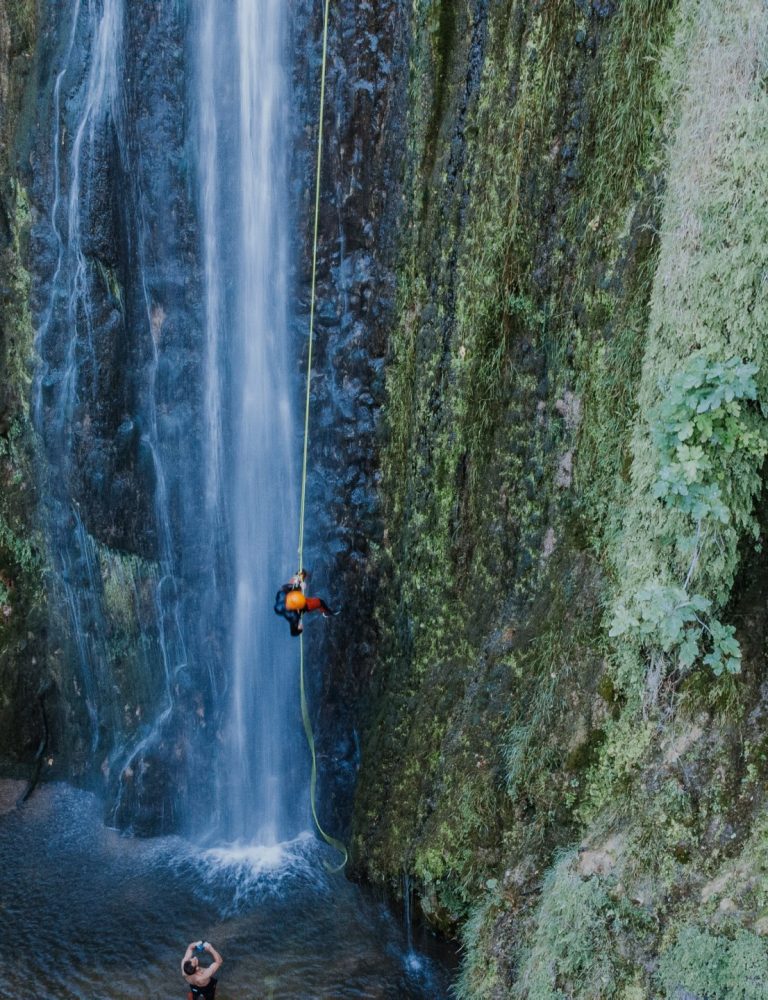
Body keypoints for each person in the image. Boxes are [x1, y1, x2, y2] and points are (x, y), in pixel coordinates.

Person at [274, 569, 337, 637]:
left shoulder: (282, 593)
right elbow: (294, 632)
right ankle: (326, 613)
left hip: (294, 595)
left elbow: (286, 587)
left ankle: (307, 575)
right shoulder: (294, 616)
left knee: (301, 573)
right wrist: (300, 629)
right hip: (302, 606)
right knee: (320, 602)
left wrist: (298, 585)